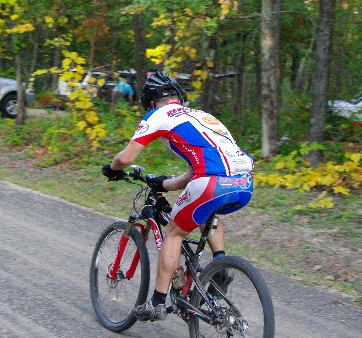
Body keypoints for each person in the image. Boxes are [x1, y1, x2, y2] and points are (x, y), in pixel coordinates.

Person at [102, 70, 254, 321]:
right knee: (207, 210)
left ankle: (157, 303)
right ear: (178, 97)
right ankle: (220, 267)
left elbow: (126, 158)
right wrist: (166, 183)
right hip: (243, 182)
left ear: (151, 102)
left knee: (174, 231)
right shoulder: (202, 116)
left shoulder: (159, 114)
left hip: (210, 181)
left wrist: (112, 168)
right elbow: (197, 170)